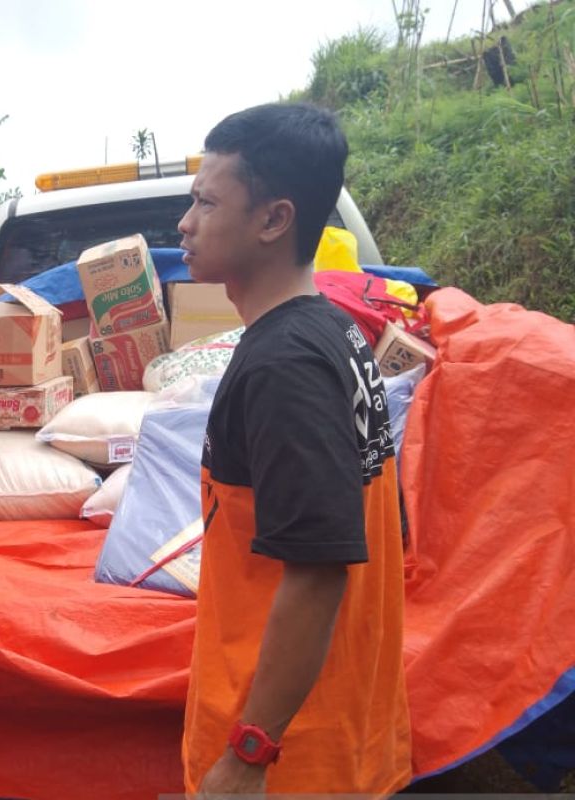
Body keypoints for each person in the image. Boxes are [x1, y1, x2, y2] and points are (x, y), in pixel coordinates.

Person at [177, 103, 411, 796]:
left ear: (274, 220)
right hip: (337, 723)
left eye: (206, 201)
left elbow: (318, 573)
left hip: (288, 758)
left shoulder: (285, 365)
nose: (185, 224)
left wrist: (249, 755)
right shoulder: (334, 334)